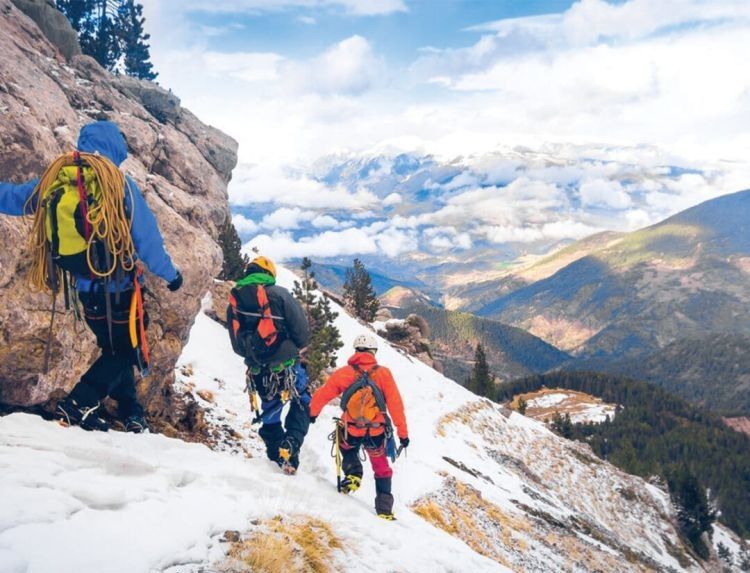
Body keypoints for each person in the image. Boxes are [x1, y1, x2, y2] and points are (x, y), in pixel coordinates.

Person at [0, 121, 182, 433]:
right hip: (120, 287)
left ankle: (131, 412)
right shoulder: (118, 184)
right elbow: (146, 238)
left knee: (116, 350)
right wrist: (171, 275)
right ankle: (78, 403)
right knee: (125, 351)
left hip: (85, 288)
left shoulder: (59, 177)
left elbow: (17, 199)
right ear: (116, 148)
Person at [309, 333, 409, 520]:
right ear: (373, 352)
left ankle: (353, 473)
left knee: (346, 447)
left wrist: (312, 414)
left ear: (356, 351)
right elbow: (396, 405)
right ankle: (384, 510)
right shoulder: (383, 374)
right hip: (376, 431)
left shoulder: (345, 373)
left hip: (351, 429)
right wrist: (403, 434)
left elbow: (323, 394)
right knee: (381, 468)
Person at [228, 256, 311, 474]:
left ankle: (276, 456)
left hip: (258, 370)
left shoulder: (235, 299)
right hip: (287, 366)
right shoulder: (280, 294)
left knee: (270, 407)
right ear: (270, 274)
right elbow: (302, 334)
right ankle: (291, 444)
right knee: (302, 399)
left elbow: (237, 346)